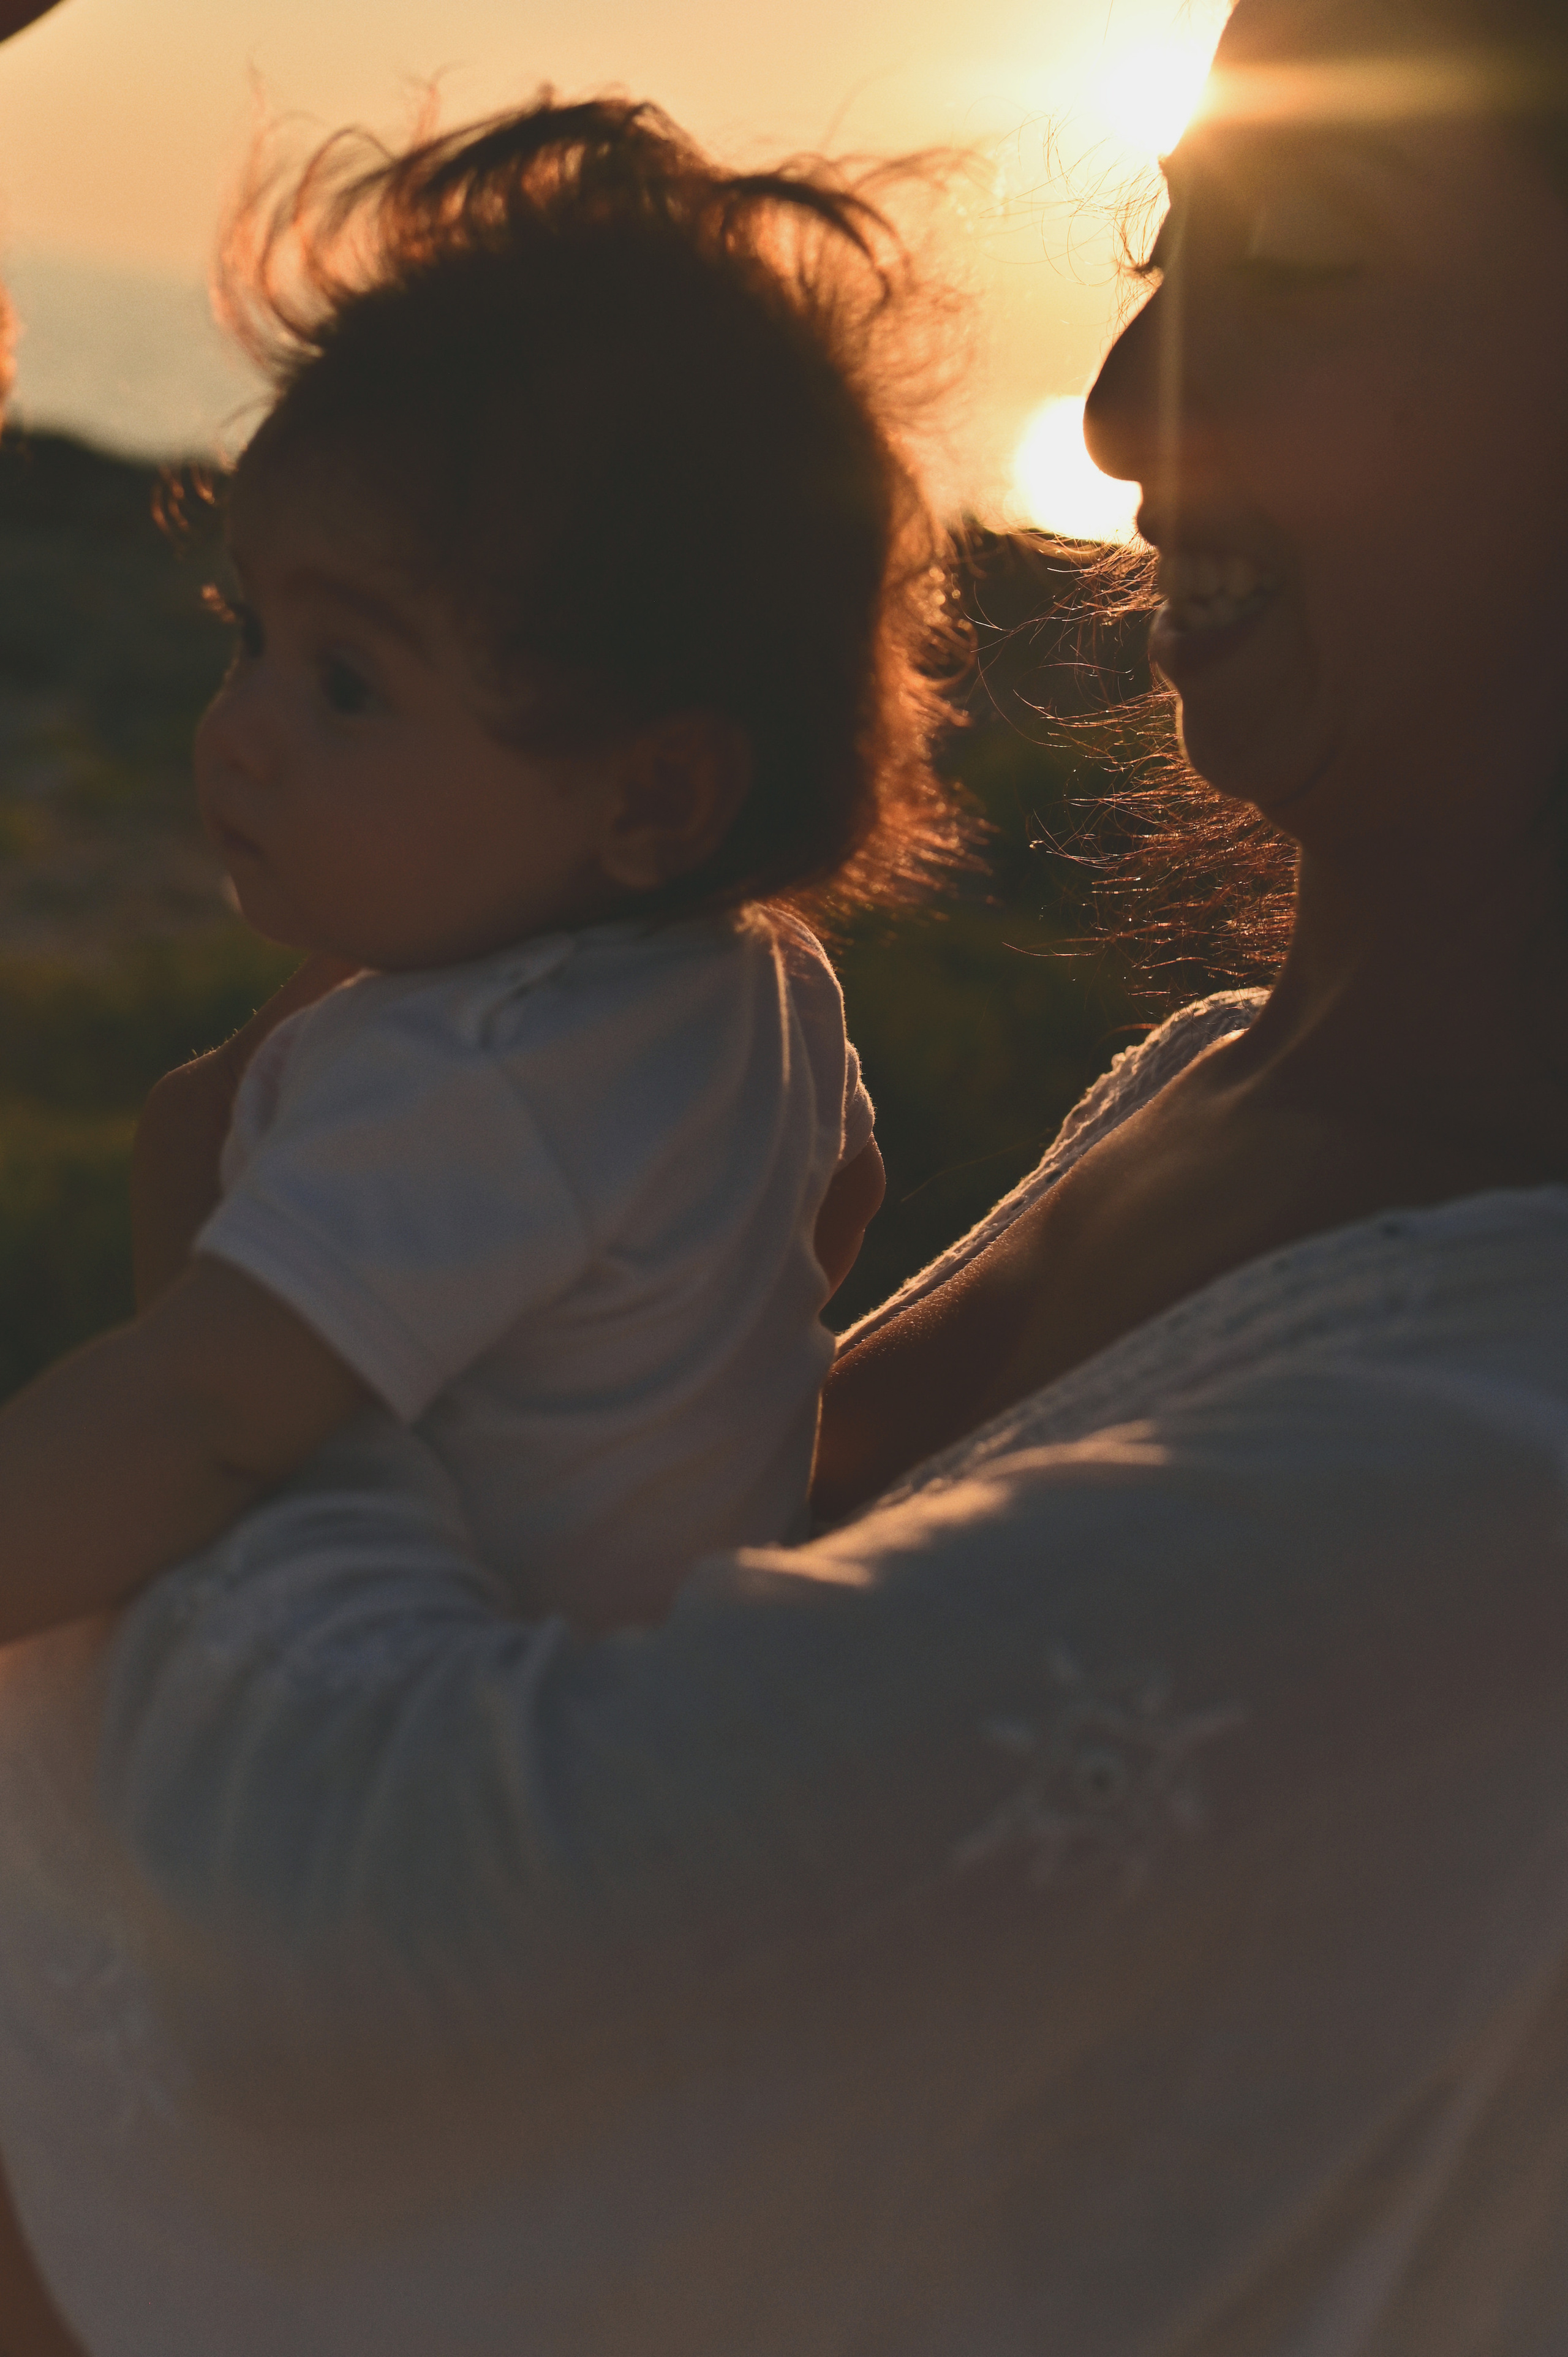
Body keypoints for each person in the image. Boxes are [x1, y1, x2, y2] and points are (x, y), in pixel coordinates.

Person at [7, 0, 1568, 2349]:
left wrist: (253, 1316)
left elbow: (420, 1978)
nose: (1128, 408)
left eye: (1312, 261)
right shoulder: (1202, 1085)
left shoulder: (1505, 1453)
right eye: (1164, 249)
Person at [0, 94, 974, 1652]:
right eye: (250, 636)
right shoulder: (764, 983)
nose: (239, 732)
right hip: (602, 1708)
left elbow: (200, 1417)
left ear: (654, 793)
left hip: (352, 1735)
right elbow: (835, 1201)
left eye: (348, 684)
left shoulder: (481, 1072)